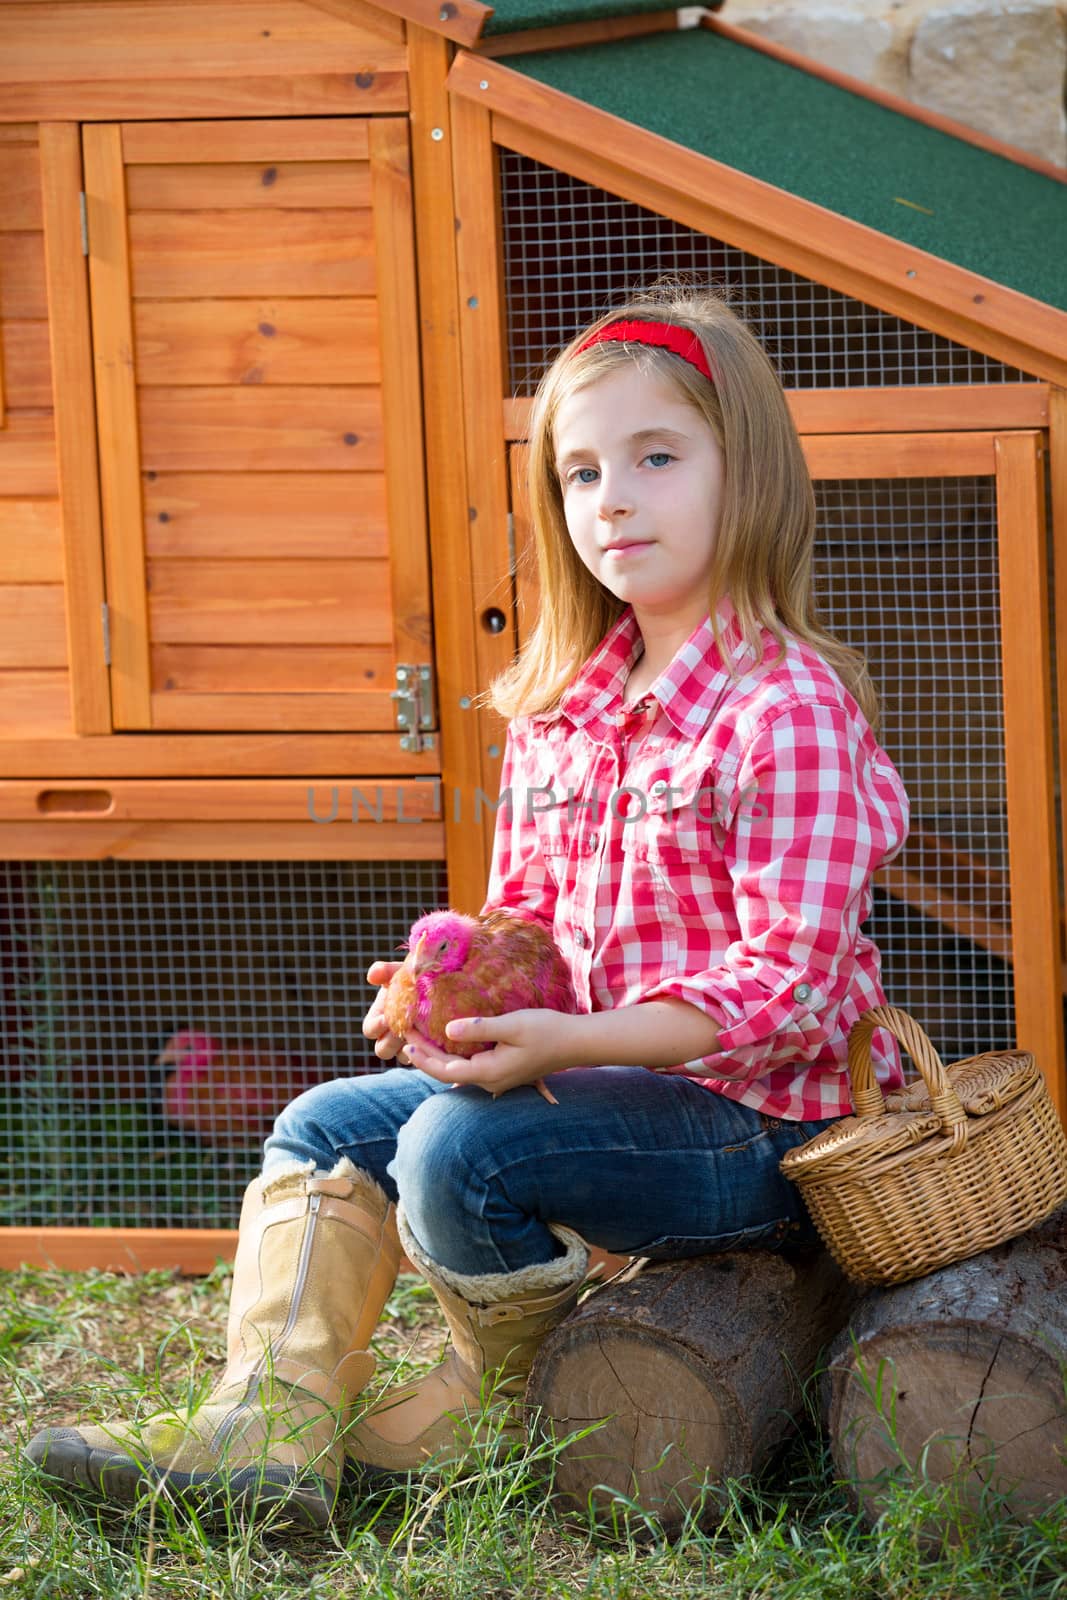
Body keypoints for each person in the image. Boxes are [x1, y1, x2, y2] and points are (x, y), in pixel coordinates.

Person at [27, 286, 909, 1531]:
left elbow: (790, 985)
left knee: (454, 1147)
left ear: (744, 468)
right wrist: (452, 1002)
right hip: (591, 1089)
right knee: (331, 1118)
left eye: (656, 457)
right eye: (579, 470)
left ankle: (482, 1409)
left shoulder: (784, 708)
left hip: (748, 1130)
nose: (612, 498)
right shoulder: (559, 706)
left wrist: (566, 1046)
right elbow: (526, 926)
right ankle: (265, 1427)